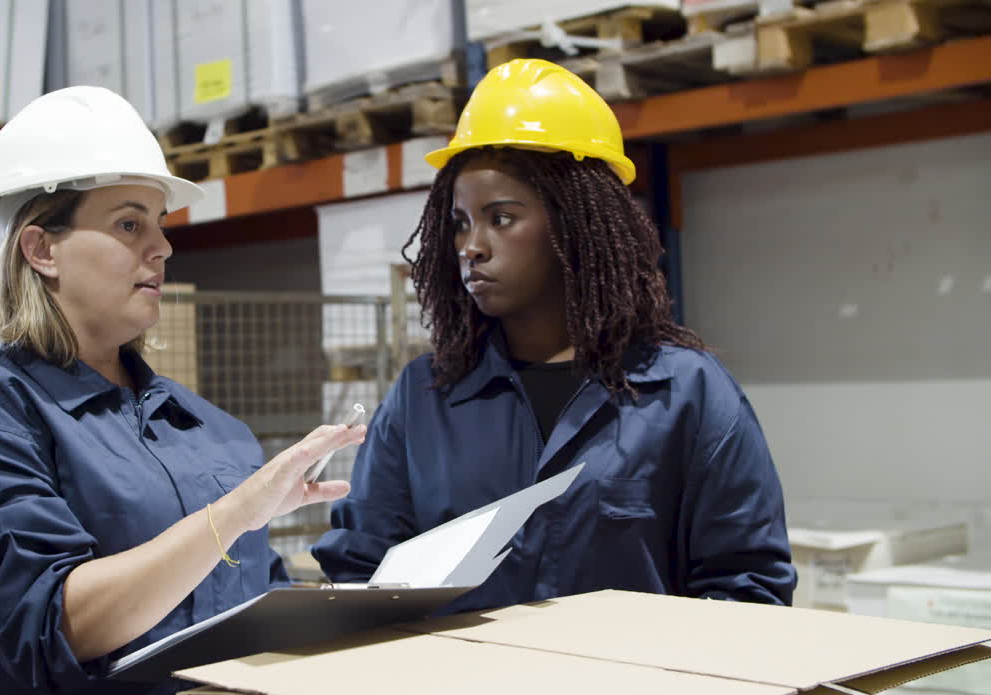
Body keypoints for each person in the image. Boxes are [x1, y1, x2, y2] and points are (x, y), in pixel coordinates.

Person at [0, 86, 365, 695]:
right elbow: (55, 622)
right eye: (128, 223)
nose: (162, 248)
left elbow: (256, 596)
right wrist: (236, 513)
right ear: (41, 249)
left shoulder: (205, 429)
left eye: (158, 224)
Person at [312, 59, 795, 612]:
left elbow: (747, 586)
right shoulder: (424, 400)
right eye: (461, 222)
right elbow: (361, 570)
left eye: (501, 217)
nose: (472, 246)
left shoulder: (686, 393)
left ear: (576, 224)